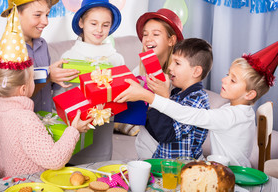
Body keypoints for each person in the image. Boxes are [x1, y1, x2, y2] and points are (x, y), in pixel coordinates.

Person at [114, 41, 278, 167]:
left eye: (232, 80)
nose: (224, 79)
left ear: (249, 93)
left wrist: (151, 96)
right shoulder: (240, 110)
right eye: (228, 75)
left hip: (229, 174)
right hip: (221, 167)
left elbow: (188, 115)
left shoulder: (229, 116)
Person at [0, 5, 92, 177]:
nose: (45, 20)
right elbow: (55, 160)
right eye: (33, 78)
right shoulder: (27, 121)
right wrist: (73, 130)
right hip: (32, 185)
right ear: (23, 88)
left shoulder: (4, 112)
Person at [0, 0, 79, 112]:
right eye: (37, 15)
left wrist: (58, 77)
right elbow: (12, 102)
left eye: (47, 15)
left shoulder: (42, 45)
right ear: (16, 15)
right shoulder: (2, 52)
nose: (46, 21)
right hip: (19, 129)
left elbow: (48, 88)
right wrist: (47, 77)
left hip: (44, 123)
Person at [60, 0, 124, 165]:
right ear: (81, 22)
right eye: (93, 23)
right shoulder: (69, 58)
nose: (99, 30)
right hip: (76, 132)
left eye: (105, 25)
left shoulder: (116, 59)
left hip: (104, 132)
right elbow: (62, 98)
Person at [115, 8, 184, 153]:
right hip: (144, 147)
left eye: (156, 34)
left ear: (171, 40)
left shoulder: (178, 76)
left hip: (169, 150)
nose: (148, 38)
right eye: (145, 34)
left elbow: (179, 120)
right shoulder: (139, 71)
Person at [146, 38, 213, 160]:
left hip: (183, 169)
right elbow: (157, 132)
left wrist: (162, 98)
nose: (170, 67)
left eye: (177, 63)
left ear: (196, 71)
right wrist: (153, 100)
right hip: (164, 163)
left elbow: (167, 134)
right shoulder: (176, 94)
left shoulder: (197, 101)